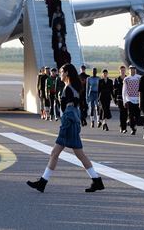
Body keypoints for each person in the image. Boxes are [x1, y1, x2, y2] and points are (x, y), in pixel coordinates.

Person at [27, 64, 105, 193]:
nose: (60, 74)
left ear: (67, 73)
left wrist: (65, 124)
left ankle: (43, 182)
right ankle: (97, 180)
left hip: (68, 124)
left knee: (56, 153)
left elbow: (69, 108)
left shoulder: (68, 88)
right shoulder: (73, 87)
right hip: (73, 124)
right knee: (78, 154)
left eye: (62, 72)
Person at [122, 65, 141, 135]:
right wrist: (124, 101)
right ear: (129, 70)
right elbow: (124, 90)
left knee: (137, 116)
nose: (131, 70)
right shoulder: (126, 79)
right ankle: (133, 128)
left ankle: (135, 125)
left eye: (133, 69)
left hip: (138, 100)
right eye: (130, 69)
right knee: (130, 115)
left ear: (135, 70)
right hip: (129, 100)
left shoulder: (139, 78)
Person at [113, 66, 129, 133]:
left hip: (126, 98)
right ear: (119, 71)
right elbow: (114, 91)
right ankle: (122, 127)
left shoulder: (127, 79)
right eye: (121, 70)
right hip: (119, 98)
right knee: (122, 113)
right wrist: (115, 100)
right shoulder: (117, 79)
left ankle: (123, 127)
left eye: (123, 70)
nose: (122, 71)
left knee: (125, 113)